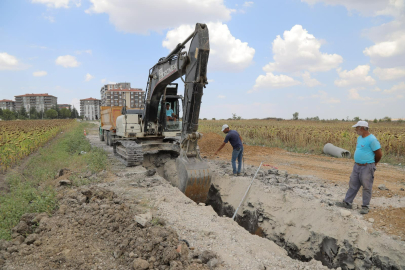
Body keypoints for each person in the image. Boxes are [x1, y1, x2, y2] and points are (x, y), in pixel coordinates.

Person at [336, 121, 382, 214]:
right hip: (357, 166)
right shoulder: (359, 138)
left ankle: (365, 206)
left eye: (356, 128)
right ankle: (347, 203)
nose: (355, 130)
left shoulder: (372, 139)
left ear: (362, 128)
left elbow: (379, 154)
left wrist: (374, 163)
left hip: (367, 167)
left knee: (366, 186)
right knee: (353, 184)